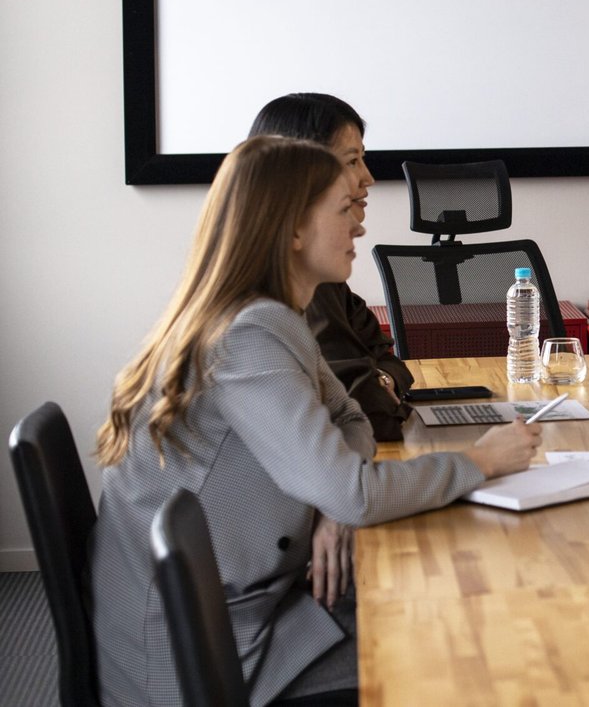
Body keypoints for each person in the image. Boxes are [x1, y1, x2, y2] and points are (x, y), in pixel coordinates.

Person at [90, 136, 541, 706]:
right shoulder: (249, 334)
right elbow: (354, 490)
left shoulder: (273, 315)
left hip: (245, 604)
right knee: (454, 639)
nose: (359, 225)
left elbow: (350, 418)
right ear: (293, 230)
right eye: (344, 209)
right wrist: (481, 459)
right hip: (203, 655)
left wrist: (332, 499)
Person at [250, 92, 412, 439]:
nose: (368, 178)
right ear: (302, 172)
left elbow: (387, 357)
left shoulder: (320, 273)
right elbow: (372, 417)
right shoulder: (288, 288)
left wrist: (383, 378)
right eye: (352, 162)